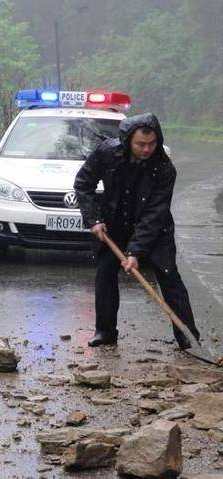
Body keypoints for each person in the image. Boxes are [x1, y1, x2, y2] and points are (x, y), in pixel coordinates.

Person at [74, 112, 201, 349]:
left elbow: (155, 214)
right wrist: (94, 219)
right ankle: (105, 331)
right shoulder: (108, 154)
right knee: (105, 273)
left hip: (155, 229)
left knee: (169, 276)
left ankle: (188, 336)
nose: (147, 149)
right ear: (128, 141)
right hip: (114, 224)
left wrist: (134, 251)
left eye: (152, 143)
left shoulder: (164, 169)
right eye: (140, 144)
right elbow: (83, 183)